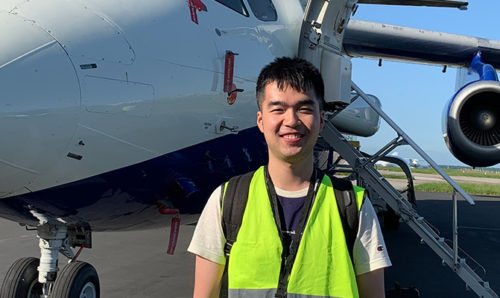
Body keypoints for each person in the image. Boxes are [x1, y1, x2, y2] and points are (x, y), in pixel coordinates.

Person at [188, 57, 391, 298]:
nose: (292, 121)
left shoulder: (352, 205)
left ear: (322, 120)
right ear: (260, 121)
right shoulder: (227, 201)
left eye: (304, 109)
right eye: (278, 109)